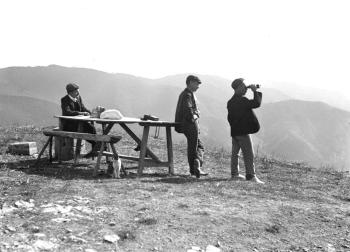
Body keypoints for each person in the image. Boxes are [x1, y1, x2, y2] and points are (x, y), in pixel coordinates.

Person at [227, 78, 264, 184]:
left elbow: (229, 118)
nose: (245, 89)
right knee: (248, 154)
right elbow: (256, 103)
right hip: (243, 132)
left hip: (234, 132)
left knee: (235, 154)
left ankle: (235, 174)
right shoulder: (242, 100)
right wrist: (255, 91)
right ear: (238, 88)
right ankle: (251, 175)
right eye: (243, 87)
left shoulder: (230, 102)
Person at [175, 75, 208, 178]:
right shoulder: (187, 95)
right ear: (190, 82)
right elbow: (189, 111)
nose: (198, 86)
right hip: (189, 124)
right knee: (194, 147)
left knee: (197, 146)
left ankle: (196, 165)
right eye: (196, 83)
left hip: (187, 124)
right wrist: (196, 115)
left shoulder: (187, 94)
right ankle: (194, 169)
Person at [61, 83, 97, 157]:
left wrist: (90, 113)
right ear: (70, 92)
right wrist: (80, 113)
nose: (78, 93)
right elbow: (67, 112)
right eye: (76, 91)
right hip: (69, 125)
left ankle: (95, 148)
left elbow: (83, 108)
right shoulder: (64, 100)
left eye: (78, 91)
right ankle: (96, 147)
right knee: (86, 129)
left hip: (79, 123)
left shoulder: (78, 98)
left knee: (91, 128)